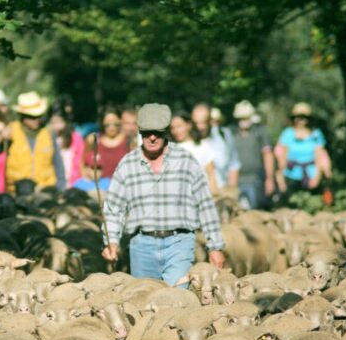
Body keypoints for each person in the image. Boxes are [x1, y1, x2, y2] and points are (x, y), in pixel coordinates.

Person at [101, 104, 225, 287]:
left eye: (158, 132)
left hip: (179, 242)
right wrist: (111, 241)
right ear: (140, 132)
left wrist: (215, 247)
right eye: (147, 132)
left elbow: (205, 204)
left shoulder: (185, 160)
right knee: (144, 301)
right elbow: (113, 208)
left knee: (178, 298)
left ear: (167, 131)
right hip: (142, 245)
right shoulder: (127, 164)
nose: (152, 137)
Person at [0, 91, 66, 194]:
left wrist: (61, 186)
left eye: (39, 116)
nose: (36, 120)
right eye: (31, 117)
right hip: (17, 192)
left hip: (45, 191)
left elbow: (57, 161)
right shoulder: (11, 130)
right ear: (22, 116)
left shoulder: (49, 132)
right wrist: (0, 138)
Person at [274, 102, 332, 203]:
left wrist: (317, 177)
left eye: (304, 117)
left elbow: (319, 156)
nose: (301, 120)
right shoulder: (288, 133)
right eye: (298, 117)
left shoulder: (316, 134)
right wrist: (280, 177)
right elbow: (282, 155)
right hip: (291, 175)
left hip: (310, 174)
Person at [230, 100, 275, 209]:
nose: (244, 121)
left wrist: (270, 179)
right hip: (236, 179)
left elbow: (267, 155)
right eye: (241, 118)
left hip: (255, 179)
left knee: (254, 211)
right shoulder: (231, 133)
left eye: (246, 117)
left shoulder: (260, 132)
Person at [192, 102, 241, 188]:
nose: (200, 127)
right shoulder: (188, 140)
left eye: (203, 122)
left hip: (221, 191)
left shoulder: (224, 135)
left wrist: (232, 192)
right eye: (196, 123)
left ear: (210, 120)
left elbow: (233, 164)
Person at [169, 111, 219, 194]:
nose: (176, 131)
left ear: (189, 125)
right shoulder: (169, 149)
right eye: (172, 128)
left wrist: (215, 195)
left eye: (179, 126)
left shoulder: (202, 146)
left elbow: (211, 174)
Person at [85, 108, 131, 181]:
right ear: (102, 123)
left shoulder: (129, 140)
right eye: (107, 125)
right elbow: (83, 163)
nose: (112, 128)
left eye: (115, 124)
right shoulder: (93, 140)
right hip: (99, 189)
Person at [50, 101, 85, 188]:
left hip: (73, 183)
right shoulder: (47, 139)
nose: (57, 126)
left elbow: (81, 161)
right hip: (53, 184)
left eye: (60, 121)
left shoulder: (76, 138)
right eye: (54, 122)